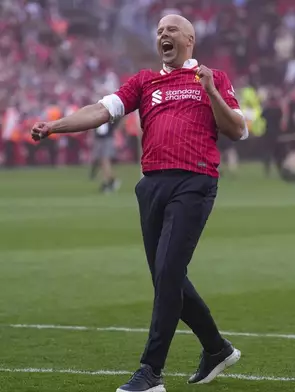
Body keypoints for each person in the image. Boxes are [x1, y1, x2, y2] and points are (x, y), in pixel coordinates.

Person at [31, 14, 246, 392]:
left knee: (167, 274)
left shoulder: (212, 79)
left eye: (172, 29)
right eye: (160, 30)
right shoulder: (144, 82)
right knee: (167, 277)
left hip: (194, 181)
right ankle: (216, 348)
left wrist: (211, 91)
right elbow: (101, 110)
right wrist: (55, 126)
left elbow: (238, 130)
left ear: (190, 40)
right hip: (151, 186)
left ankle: (151, 373)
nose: (164, 34)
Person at [89, 119, 121, 193]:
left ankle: (110, 181)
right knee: (102, 161)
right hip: (100, 137)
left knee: (105, 160)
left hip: (107, 137)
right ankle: (108, 180)